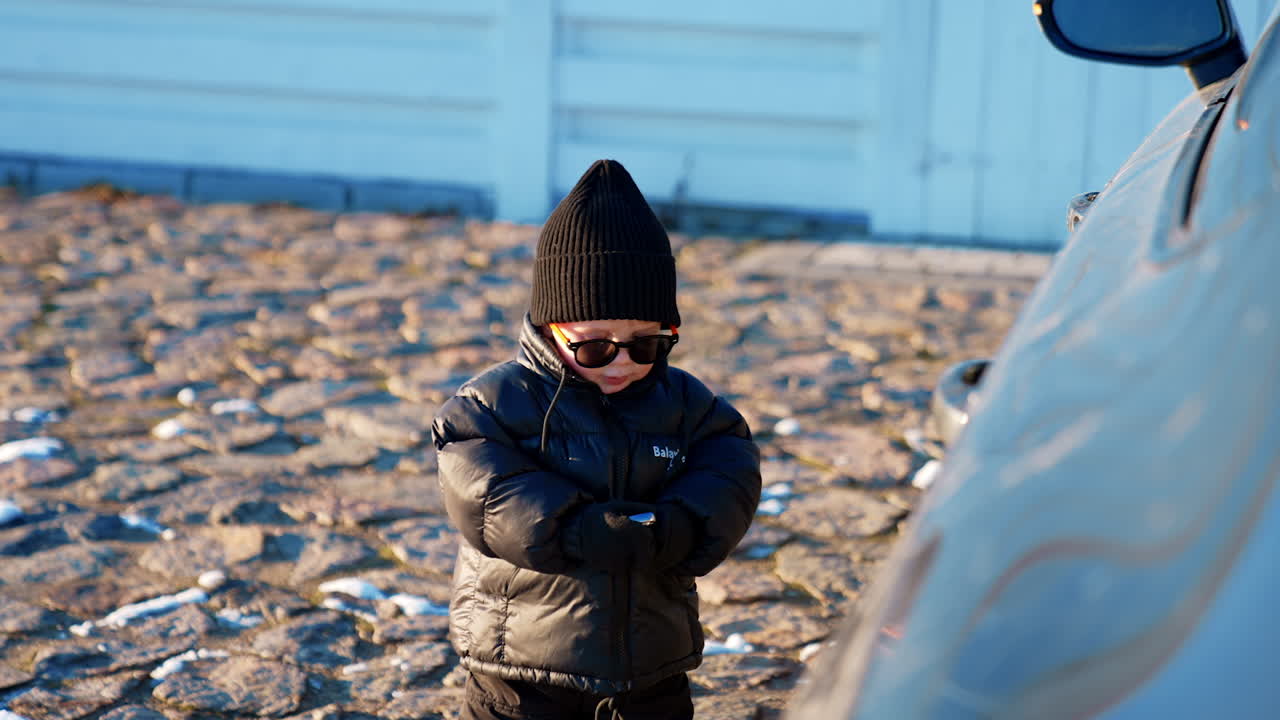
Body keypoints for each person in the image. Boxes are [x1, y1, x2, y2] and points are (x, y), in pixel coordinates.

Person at [432, 159, 762, 720]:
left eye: (646, 344)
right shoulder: (493, 404)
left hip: (652, 659)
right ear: (549, 328)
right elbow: (484, 491)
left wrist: (683, 525)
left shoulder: (685, 405)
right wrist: (575, 530)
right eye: (594, 347)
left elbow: (729, 465)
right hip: (520, 667)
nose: (622, 363)